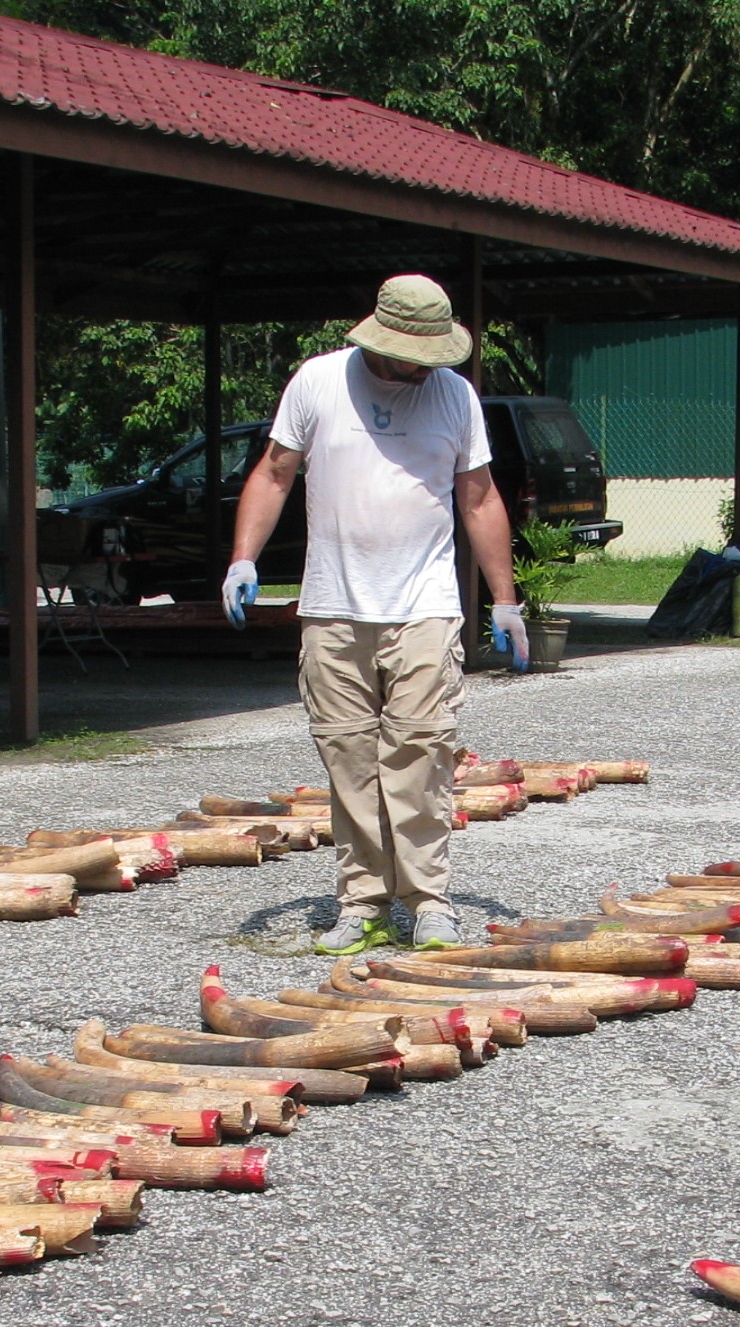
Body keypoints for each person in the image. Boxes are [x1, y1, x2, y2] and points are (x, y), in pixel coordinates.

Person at [222, 274, 525, 954]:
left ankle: (430, 903)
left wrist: (506, 601)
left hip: (425, 605)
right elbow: (274, 474)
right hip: (333, 607)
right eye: (409, 353)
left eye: (431, 355)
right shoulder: (318, 383)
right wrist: (244, 558)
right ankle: (362, 903)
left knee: (420, 758)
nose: (420, 367)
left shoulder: (456, 396)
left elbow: (478, 497)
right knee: (350, 762)